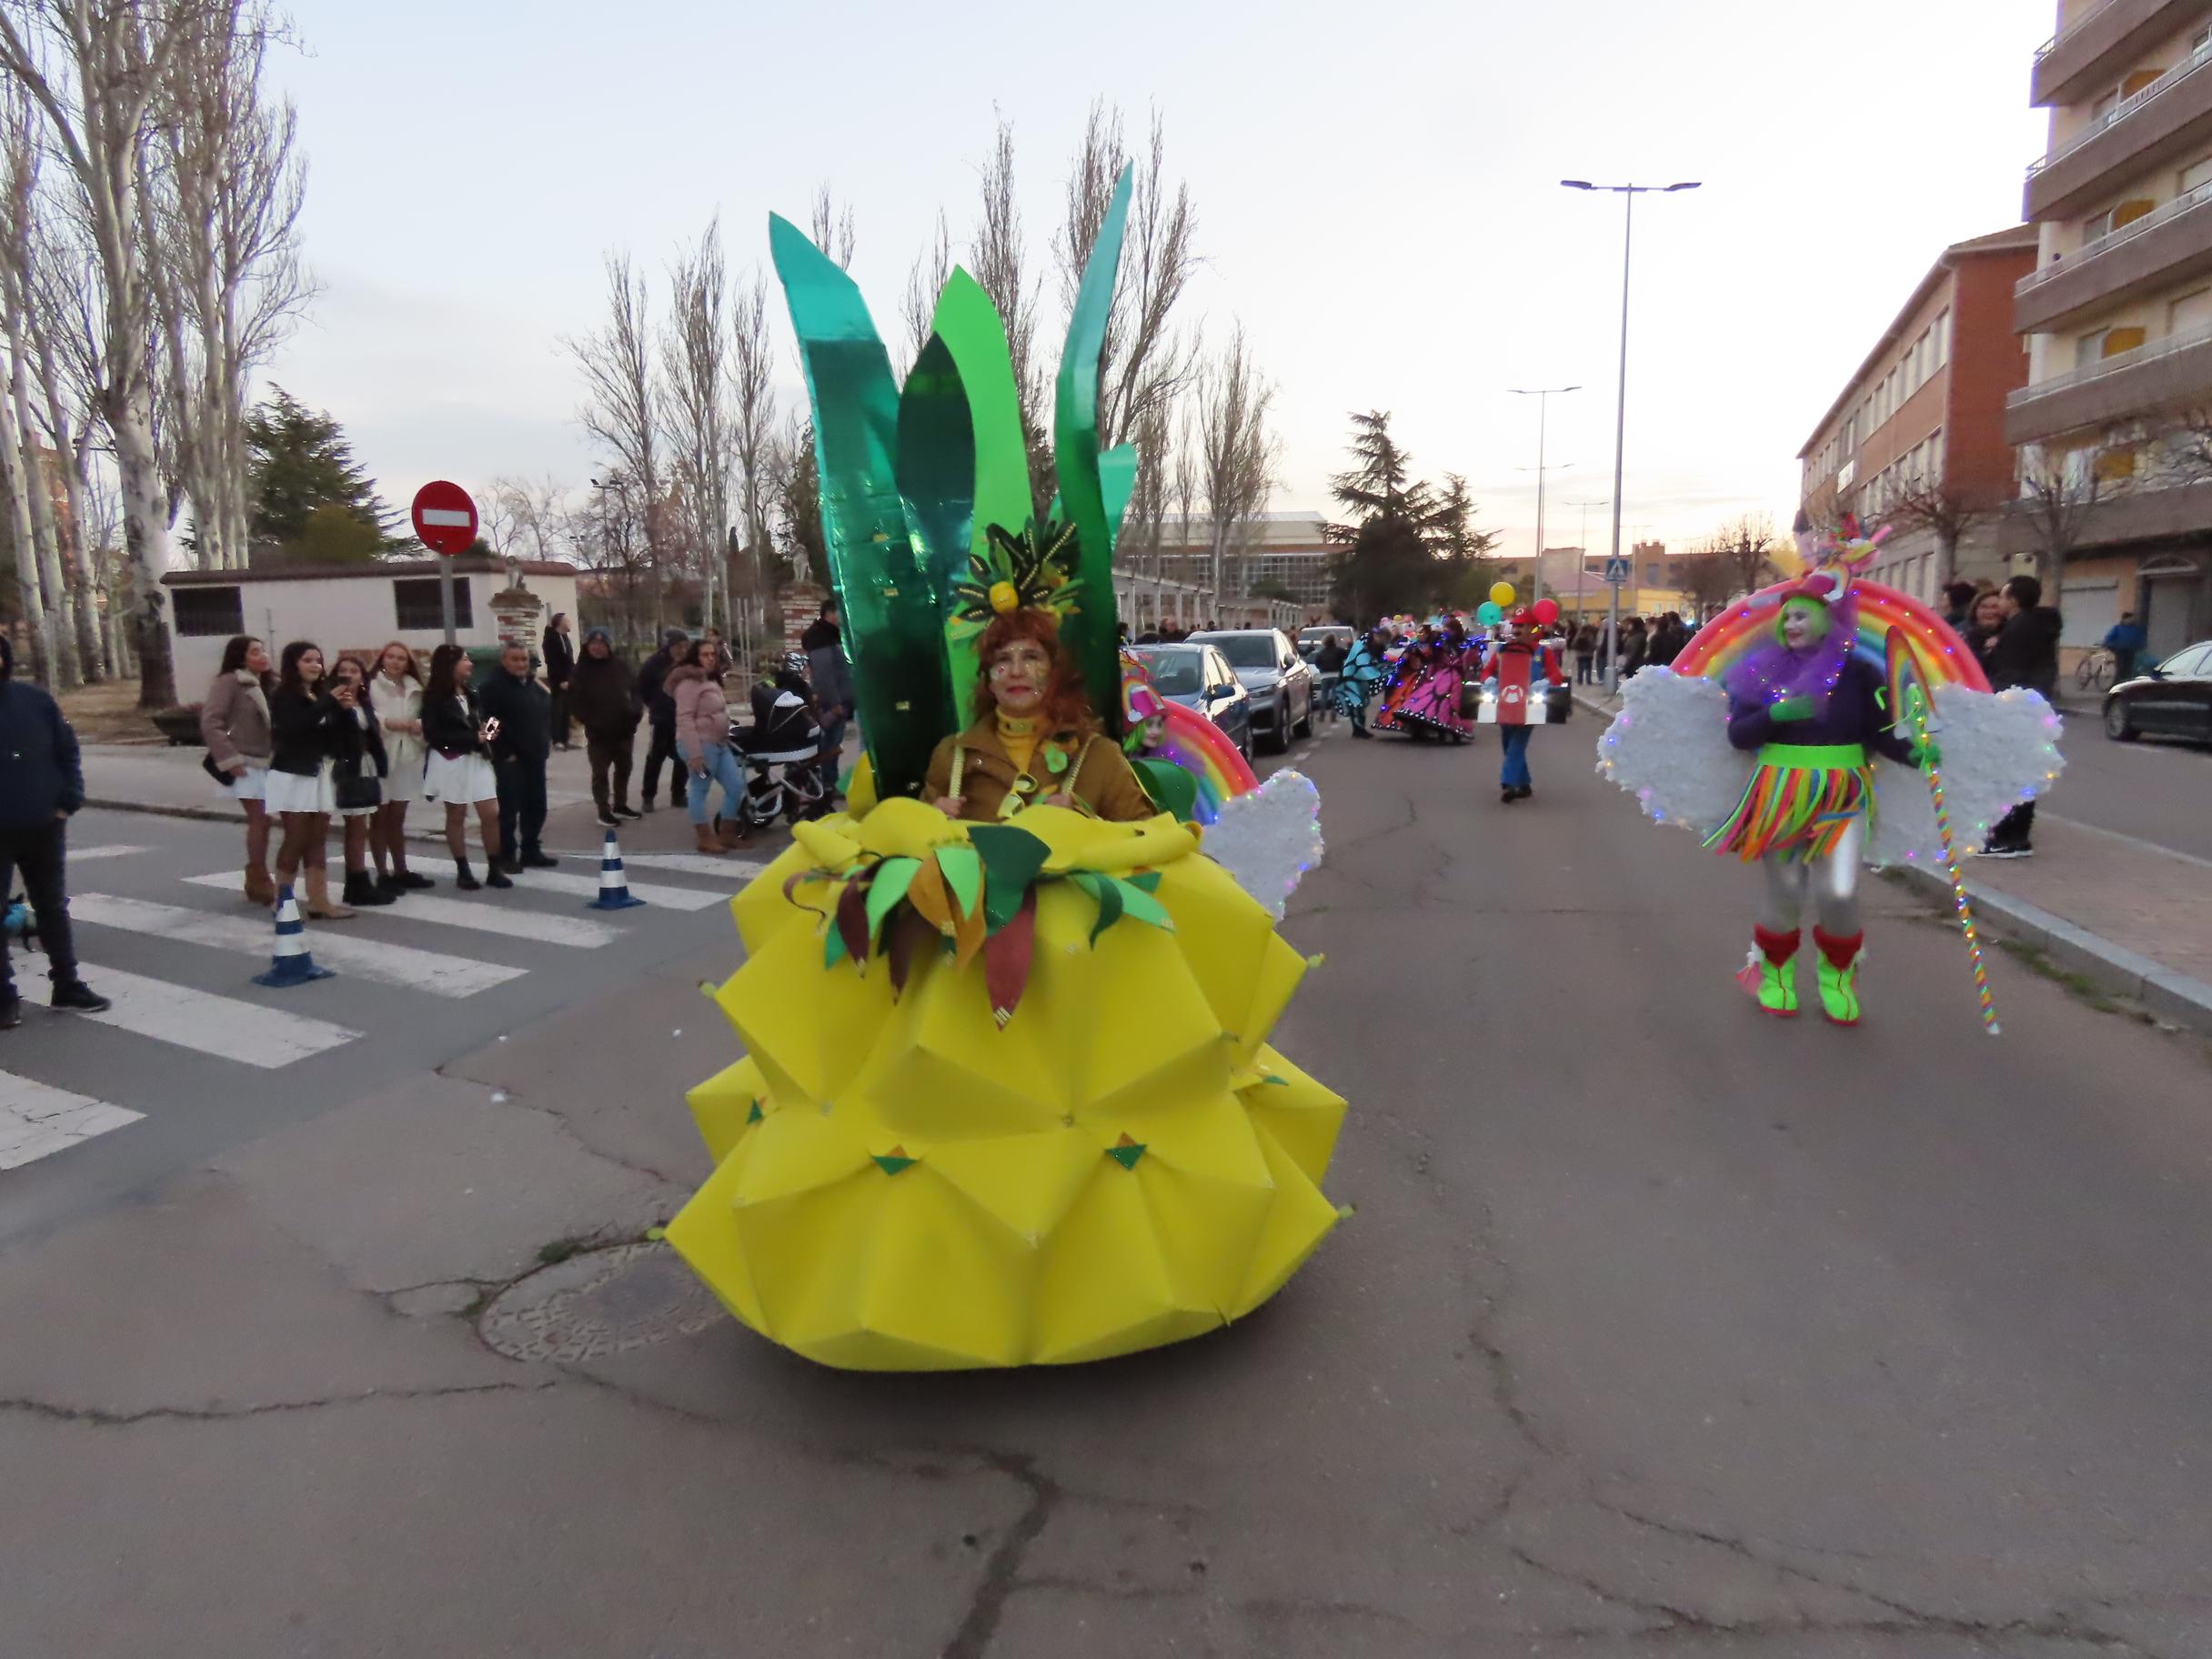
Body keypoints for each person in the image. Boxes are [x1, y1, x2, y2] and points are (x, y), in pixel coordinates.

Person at [924, 604, 1155, 822]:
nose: (1016, 671)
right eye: (1002, 660)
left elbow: (1147, 841)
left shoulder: (1100, 757)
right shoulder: (951, 758)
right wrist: (928, 825)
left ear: (1055, 673)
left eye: (1031, 658)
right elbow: (911, 853)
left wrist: (1086, 824)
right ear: (989, 681)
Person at [0, 632, 109, 1025]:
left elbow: (67, 748)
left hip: (43, 824)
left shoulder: (36, 701)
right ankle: (4, 997)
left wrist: (68, 800)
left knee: (52, 907)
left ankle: (66, 983)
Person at [265, 640, 353, 920]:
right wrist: (329, 702)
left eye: (318, 660)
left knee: (317, 838)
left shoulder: (321, 693)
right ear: (294, 664)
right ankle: (282, 901)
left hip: (320, 770)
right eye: (308, 660)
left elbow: (336, 734)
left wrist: (344, 710)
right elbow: (294, 727)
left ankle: (319, 900)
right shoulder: (284, 695)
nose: (315, 665)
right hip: (293, 772)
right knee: (297, 838)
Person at [1982, 574, 2062, 859]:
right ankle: (2014, 836)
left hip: (2016, 710)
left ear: (2013, 600)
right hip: (2032, 707)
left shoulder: (2020, 631)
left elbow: (2010, 673)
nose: (1999, 602)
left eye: (2003, 596)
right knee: (2021, 772)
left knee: (2010, 773)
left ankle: (2009, 838)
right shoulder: (2034, 627)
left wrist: (1996, 701)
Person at [420, 644, 511, 890]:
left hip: (477, 759)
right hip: (452, 760)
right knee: (457, 815)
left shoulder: (472, 692)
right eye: (465, 659)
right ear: (450, 665)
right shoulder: (434, 697)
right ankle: (463, 869)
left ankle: (495, 867)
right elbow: (433, 734)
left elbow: (483, 720)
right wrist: (473, 738)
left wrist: (489, 732)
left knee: (491, 813)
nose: (469, 664)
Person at [200, 635, 276, 905]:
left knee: (267, 820)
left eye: (263, 650)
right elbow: (211, 722)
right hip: (243, 761)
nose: (263, 655)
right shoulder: (230, 681)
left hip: (268, 760)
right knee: (261, 819)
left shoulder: (269, 683)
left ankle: (259, 875)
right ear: (241, 657)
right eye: (255, 652)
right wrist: (231, 760)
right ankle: (258, 876)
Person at [477, 641, 558, 872]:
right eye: (515, 659)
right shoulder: (492, 686)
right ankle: (506, 854)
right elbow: (490, 724)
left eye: (524, 659)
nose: (521, 664)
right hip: (510, 759)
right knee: (509, 809)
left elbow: (544, 716)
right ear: (504, 661)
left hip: (535, 755)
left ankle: (531, 850)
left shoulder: (533, 684)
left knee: (536, 805)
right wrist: (503, 753)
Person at [667, 636, 746, 855]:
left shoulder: (710, 679)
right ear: (695, 656)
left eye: (713, 654)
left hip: (719, 744)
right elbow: (684, 719)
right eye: (705, 654)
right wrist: (695, 753)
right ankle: (704, 837)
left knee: (735, 786)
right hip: (700, 746)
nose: (711, 658)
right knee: (700, 789)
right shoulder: (688, 683)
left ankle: (727, 834)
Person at [1481, 607, 1567, 803]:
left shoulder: (1542, 651)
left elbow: (1557, 675)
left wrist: (1545, 683)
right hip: (1505, 703)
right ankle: (1524, 783)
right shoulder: (1503, 650)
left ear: (1531, 628)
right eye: (1515, 625)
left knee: (1517, 744)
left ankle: (1508, 783)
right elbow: (1486, 672)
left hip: (1530, 705)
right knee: (1507, 743)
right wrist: (1489, 681)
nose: (1516, 629)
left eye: (1521, 626)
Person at [328, 654, 394, 909]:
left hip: (367, 764)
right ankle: (356, 881)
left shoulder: (363, 702)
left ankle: (359, 881)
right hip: (348, 767)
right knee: (355, 825)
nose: (349, 676)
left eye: (354, 671)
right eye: (343, 671)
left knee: (363, 823)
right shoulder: (334, 704)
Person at [369, 642, 433, 895]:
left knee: (397, 817)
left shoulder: (415, 688)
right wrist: (388, 723)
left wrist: (418, 724)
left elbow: (427, 716)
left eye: (402, 659)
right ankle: (382, 873)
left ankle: (401, 869)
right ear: (382, 658)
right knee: (379, 818)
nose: (396, 662)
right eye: (391, 657)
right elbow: (366, 714)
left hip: (407, 755)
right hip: (381, 755)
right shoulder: (371, 685)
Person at [568, 628, 642, 828]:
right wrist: (591, 721)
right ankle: (603, 809)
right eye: (593, 644)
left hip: (624, 729)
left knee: (624, 768)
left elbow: (636, 690)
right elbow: (575, 702)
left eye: (601, 644)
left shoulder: (620, 666)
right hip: (599, 733)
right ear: (587, 646)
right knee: (600, 773)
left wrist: (636, 712)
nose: (597, 648)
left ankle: (621, 804)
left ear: (608, 646)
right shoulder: (580, 671)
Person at [802, 597, 855, 799]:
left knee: (832, 744)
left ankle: (827, 782)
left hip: (840, 700)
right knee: (829, 746)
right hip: (833, 703)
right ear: (830, 613)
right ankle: (827, 784)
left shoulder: (831, 635)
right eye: (840, 612)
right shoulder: (821, 638)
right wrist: (835, 704)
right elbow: (824, 675)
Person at [635, 628, 692, 812]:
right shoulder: (655, 663)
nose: (683, 650)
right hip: (661, 717)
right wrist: (653, 703)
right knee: (655, 757)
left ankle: (678, 794)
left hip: (683, 717)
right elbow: (642, 686)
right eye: (679, 646)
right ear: (670, 646)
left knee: (683, 757)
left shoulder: (688, 663)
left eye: (685, 646)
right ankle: (648, 796)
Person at [1334, 624, 1390, 737]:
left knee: (1361, 704)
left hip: (1361, 679)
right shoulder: (1362, 645)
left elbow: (1381, 661)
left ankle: (1360, 729)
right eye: (1378, 636)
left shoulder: (1378, 648)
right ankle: (1357, 729)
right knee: (1355, 703)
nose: (1380, 639)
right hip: (1351, 677)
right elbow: (1359, 663)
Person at [542, 611, 576, 750]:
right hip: (558, 680)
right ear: (560, 622)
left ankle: (565, 738)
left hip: (568, 678)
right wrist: (561, 679)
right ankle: (557, 740)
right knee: (558, 710)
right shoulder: (552, 639)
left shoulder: (565, 637)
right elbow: (553, 661)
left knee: (567, 710)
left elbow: (569, 659)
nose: (569, 622)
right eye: (566, 620)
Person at [2102, 610, 2147, 682]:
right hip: (2120, 650)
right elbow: (2109, 637)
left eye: (2133, 619)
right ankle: (2116, 683)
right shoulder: (2118, 628)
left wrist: (2141, 646)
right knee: (2121, 668)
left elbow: (2140, 638)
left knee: (2128, 668)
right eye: (2130, 619)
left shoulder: (2136, 629)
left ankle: (2124, 683)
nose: (2132, 620)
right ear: (2125, 619)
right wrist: (2109, 644)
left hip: (2131, 650)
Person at [1572, 622, 1597, 686]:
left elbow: (1574, 644)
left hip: (1579, 654)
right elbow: (1593, 645)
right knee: (1588, 668)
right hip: (1588, 654)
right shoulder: (1590, 635)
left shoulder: (1578, 635)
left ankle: (1580, 681)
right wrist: (1593, 649)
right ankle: (1588, 681)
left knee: (1580, 668)